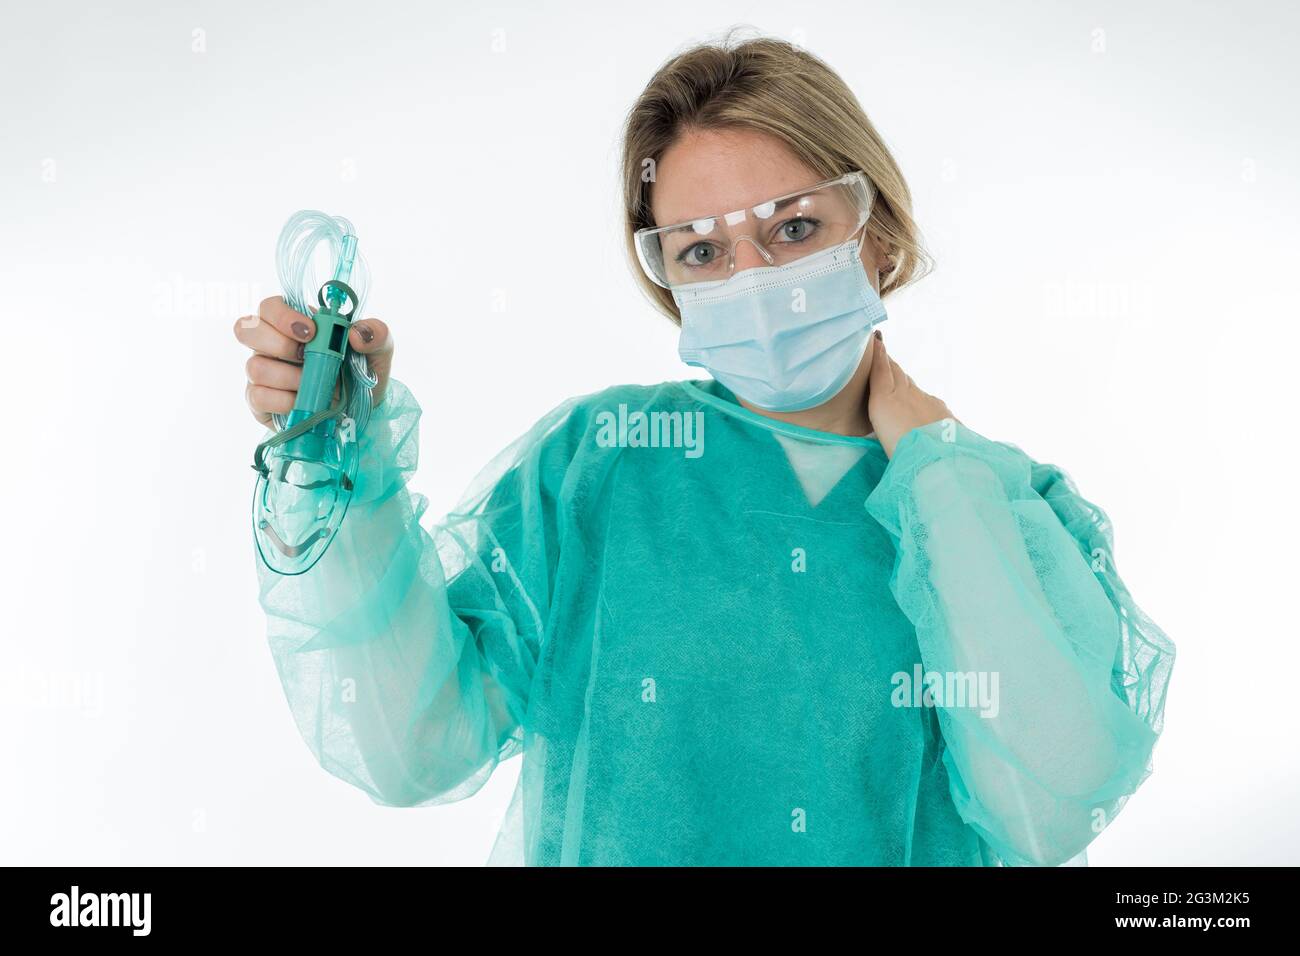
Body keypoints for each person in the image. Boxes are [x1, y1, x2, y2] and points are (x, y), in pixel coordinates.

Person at [234, 35, 1175, 866]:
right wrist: (340, 472)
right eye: (700, 252)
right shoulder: (601, 468)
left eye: (794, 228)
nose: (754, 281)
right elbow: (414, 745)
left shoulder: (995, 503)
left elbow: (1049, 806)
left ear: (878, 234)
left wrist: (939, 475)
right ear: (668, 280)